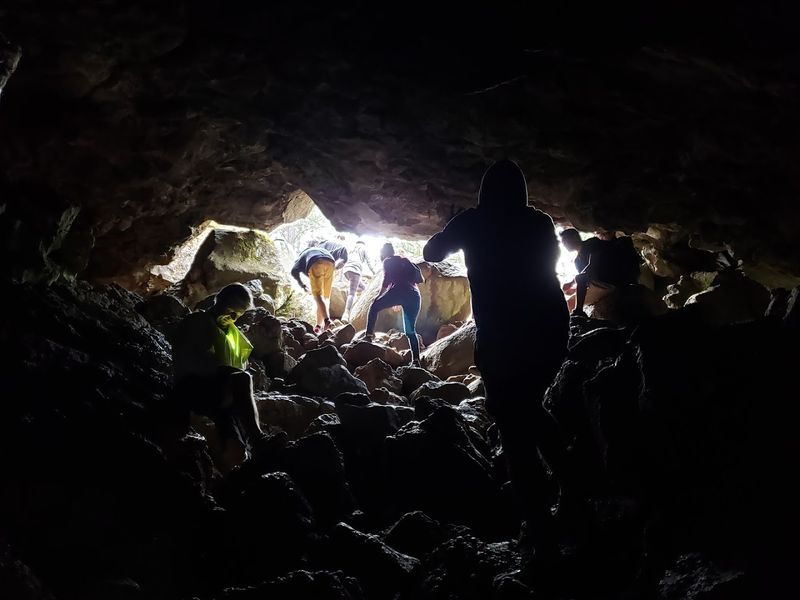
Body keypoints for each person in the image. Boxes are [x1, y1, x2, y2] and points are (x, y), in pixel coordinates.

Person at [423, 159, 571, 554]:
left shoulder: (473, 221)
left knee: (511, 417)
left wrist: (454, 224)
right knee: (528, 405)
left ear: (484, 192)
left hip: (504, 329)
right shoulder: (538, 221)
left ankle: (537, 521)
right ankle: (572, 484)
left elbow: (431, 250)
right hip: (549, 324)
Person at [172, 283, 266, 471]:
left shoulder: (233, 337)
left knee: (238, 450)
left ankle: (228, 479)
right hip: (192, 388)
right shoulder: (197, 321)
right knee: (242, 378)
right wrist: (230, 375)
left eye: (237, 315)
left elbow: (236, 366)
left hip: (218, 397)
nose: (232, 318)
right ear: (219, 300)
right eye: (231, 309)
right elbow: (185, 360)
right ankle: (259, 439)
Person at [364, 243, 424, 365]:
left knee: (374, 306)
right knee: (410, 331)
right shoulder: (405, 261)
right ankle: (416, 360)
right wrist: (399, 300)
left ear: (385, 253)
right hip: (414, 296)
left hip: (398, 292)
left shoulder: (388, 261)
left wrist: (378, 296)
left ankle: (368, 335)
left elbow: (386, 281)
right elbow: (417, 280)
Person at [560, 228, 641, 316]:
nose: (564, 245)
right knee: (570, 302)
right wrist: (572, 289)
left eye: (565, 241)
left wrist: (572, 282)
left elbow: (592, 265)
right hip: (600, 285)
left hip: (611, 279)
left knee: (580, 278)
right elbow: (585, 282)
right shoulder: (577, 261)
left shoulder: (591, 243)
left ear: (574, 237)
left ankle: (579, 311)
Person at [291, 245, 337, 333]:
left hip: (316, 262)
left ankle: (327, 321)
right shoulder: (316, 250)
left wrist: (303, 285)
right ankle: (318, 326)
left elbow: (294, 271)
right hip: (331, 263)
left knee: (318, 296)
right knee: (325, 297)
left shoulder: (302, 256)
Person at [341, 240, 376, 321]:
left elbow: (343, 260)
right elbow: (369, 262)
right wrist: (375, 273)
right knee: (352, 293)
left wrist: (341, 278)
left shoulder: (351, 249)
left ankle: (356, 304)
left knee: (364, 289)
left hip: (346, 270)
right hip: (355, 269)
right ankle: (346, 314)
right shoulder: (363, 248)